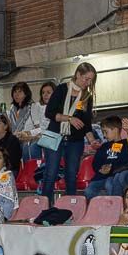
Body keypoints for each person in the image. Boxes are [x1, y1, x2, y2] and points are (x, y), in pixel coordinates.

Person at [41, 63, 97, 197]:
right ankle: (45, 206)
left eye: (91, 80)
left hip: (75, 140)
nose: (88, 83)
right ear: (78, 74)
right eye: (86, 79)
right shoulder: (61, 89)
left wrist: (92, 140)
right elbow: (49, 113)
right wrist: (69, 118)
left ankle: (71, 207)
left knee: (71, 175)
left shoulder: (86, 96)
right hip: (55, 136)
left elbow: (86, 123)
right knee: (51, 173)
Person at [84, 116, 128, 199]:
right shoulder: (104, 146)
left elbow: (126, 162)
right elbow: (96, 162)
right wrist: (100, 168)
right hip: (101, 177)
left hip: (115, 177)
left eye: (106, 132)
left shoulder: (127, 144)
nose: (104, 135)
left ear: (116, 130)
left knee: (110, 184)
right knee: (89, 190)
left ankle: (115, 208)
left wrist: (111, 168)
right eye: (103, 132)